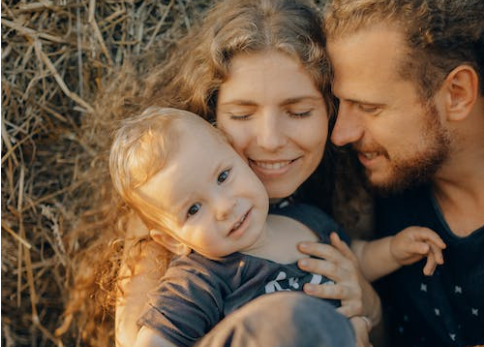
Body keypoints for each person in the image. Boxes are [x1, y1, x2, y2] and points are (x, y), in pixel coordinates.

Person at [112, 1, 383, 347]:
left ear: (330, 110)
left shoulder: (338, 196)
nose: (269, 141)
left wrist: (369, 306)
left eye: (299, 112)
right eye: (241, 115)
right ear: (211, 121)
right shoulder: (169, 222)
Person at [110, 107, 447, 347]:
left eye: (224, 176)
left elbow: (351, 258)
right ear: (171, 239)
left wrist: (391, 251)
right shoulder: (200, 279)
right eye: (194, 209)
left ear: (241, 158)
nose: (225, 207)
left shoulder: (303, 217)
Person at [313, 0, 484, 346]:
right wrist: (370, 309)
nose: (340, 135)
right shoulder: (373, 184)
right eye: (340, 104)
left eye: (369, 107)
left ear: (457, 94)